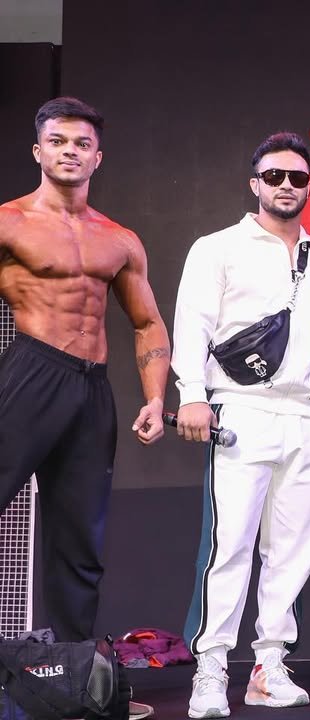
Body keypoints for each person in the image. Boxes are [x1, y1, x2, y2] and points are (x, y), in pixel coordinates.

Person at [0, 96, 170, 719]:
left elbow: (147, 323)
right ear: (38, 150)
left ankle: (72, 685)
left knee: (79, 542)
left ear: (98, 157)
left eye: (81, 143)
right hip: (30, 373)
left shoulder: (118, 239)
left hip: (91, 389)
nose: (70, 151)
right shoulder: (9, 222)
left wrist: (155, 397)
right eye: (58, 140)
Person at [172, 132, 310, 718]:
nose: (286, 185)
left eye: (297, 177)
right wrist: (192, 395)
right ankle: (211, 668)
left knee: (293, 550)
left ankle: (269, 666)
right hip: (241, 411)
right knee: (230, 545)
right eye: (274, 176)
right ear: (255, 184)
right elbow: (192, 323)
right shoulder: (217, 247)